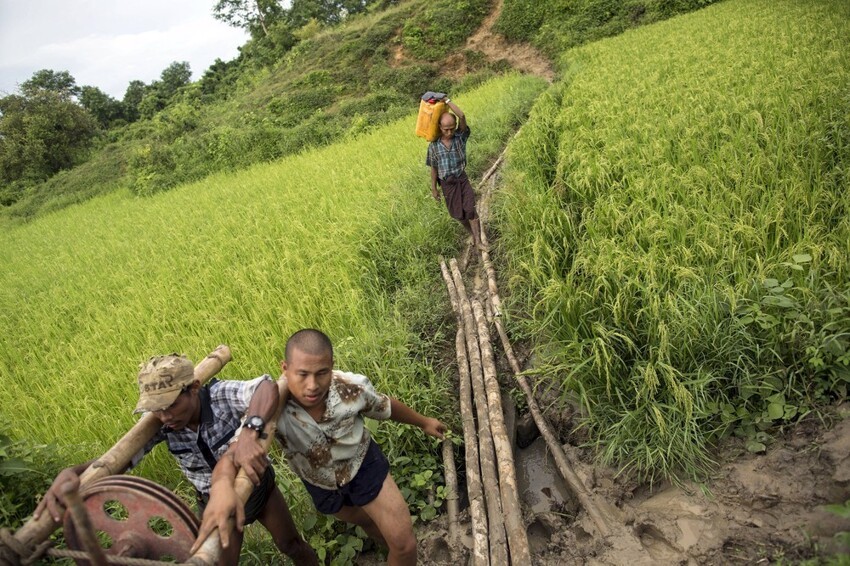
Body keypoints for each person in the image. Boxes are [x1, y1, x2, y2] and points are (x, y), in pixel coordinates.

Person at [192, 329, 448, 566]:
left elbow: (384, 406)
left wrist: (424, 422)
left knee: (403, 545)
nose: (312, 385)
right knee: (367, 523)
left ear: (332, 367)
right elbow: (235, 452)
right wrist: (222, 487)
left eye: (321, 373)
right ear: (285, 369)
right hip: (322, 485)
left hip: (363, 467)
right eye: (302, 374)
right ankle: (386, 549)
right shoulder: (271, 409)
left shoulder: (350, 387)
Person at [34, 353, 317, 566]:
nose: (166, 416)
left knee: (291, 544)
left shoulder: (219, 396)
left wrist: (249, 432)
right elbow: (120, 461)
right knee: (217, 563)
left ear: (193, 388)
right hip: (213, 501)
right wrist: (72, 472)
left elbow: (266, 386)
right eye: (157, 409)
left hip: (256, 488)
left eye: (171, 405)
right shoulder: (162, 426)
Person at [426, 96, 487, 251]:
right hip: (447, 184)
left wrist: (447, 101)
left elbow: (461, 116)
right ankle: (472, 235)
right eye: (446, 129)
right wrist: (434, 188)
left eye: (452, 128)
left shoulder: (460, 137)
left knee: (471, 210)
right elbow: (433, 168)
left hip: (462, 179)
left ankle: (479, 242)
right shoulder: (434, 146)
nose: (449, 132)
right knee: (458, 215)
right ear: (439, 127)